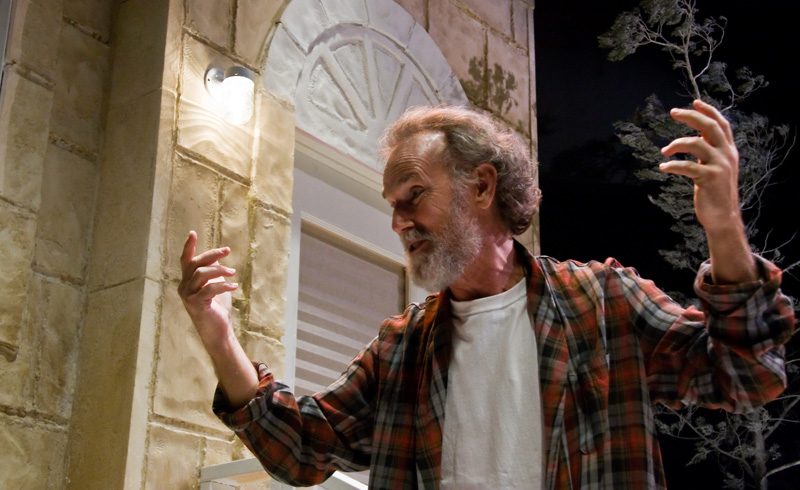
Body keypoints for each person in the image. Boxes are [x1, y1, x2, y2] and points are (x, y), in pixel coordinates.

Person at [178, 101, 795, 490]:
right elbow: (304, 450)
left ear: (481, 186)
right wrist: (217, 333)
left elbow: (746, 374)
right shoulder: (403, 348)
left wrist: (723, 227)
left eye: (413, 195)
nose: (397, 222)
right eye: (391, 205)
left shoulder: (602, 302)